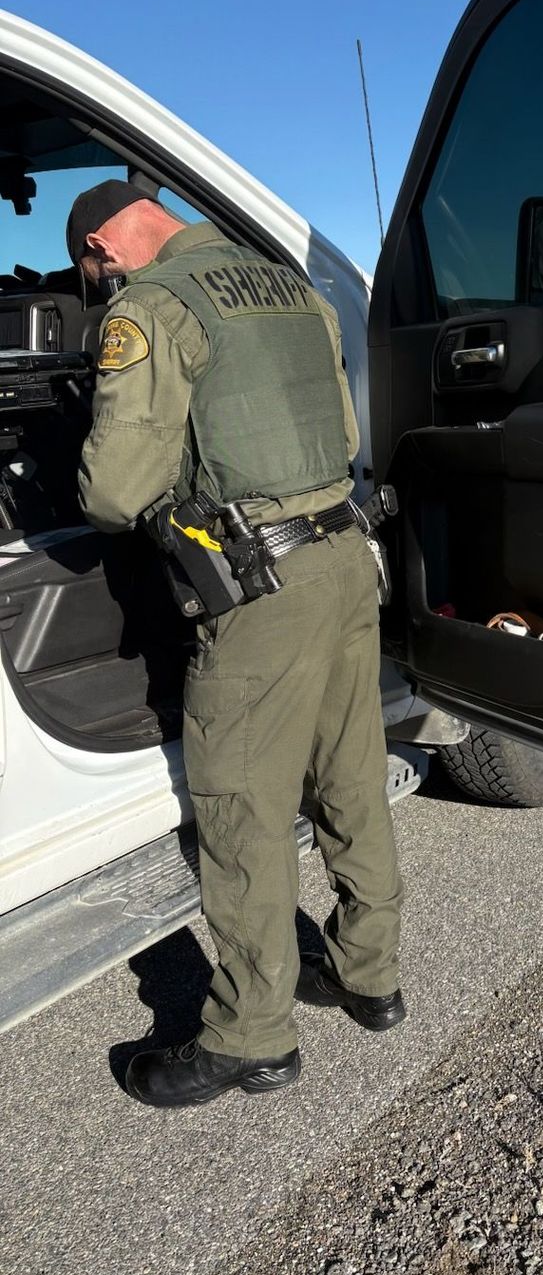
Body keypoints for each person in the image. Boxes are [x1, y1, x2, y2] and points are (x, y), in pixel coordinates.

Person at [67, 179, 404, 1108]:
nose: (101, 290)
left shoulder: (152, 307)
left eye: (94, 273)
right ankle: (369, 975)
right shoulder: (289, 285)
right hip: (343, 555)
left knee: (240, 802)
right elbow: (337, 429)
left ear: (105, 245)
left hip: (260, 585)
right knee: (349, 775)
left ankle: (251, 1033)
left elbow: (110, 492)